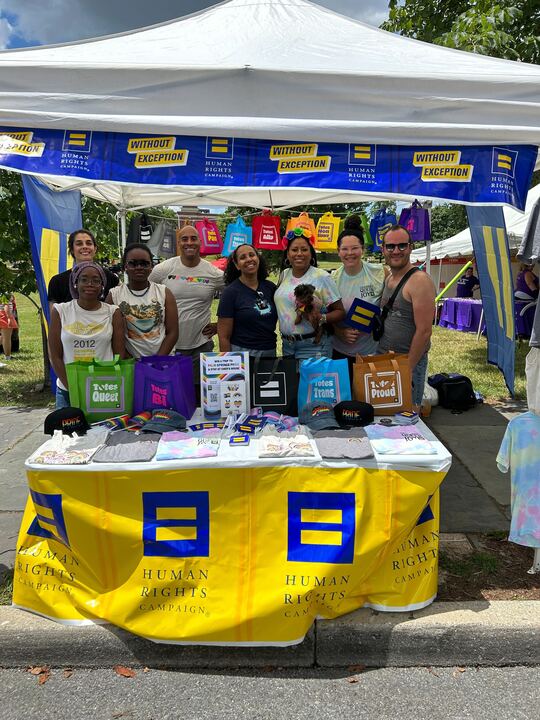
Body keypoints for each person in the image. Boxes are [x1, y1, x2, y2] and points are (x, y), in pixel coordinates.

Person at [149, 224, 225, 386]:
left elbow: (236, 297)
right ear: (178, 243)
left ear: (200, 242)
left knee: (199, 393)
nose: (189, 242)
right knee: (171, 392)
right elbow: (144, 295)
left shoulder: (214, 274)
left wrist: (220, 325)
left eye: (193, 238)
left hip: (201, 345)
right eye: (184, 239)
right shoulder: (163, 269)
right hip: (168, 345)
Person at [48, 262, 126, 409]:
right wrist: (72, 388)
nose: (90, 284)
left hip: (103, 390)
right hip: (68, 390)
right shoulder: (60, 311)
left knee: (103, 432)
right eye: (84, 279)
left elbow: (119, 355)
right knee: (67, 432)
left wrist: (108, 385)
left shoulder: (113, 312)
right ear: (75, 283)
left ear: (102, 285)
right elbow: (55, 355)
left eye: (96, 280)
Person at [378, 225, 436, 413]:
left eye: (402, 246)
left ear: (411, 247)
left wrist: (407, 368)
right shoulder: (389, 278)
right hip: (385, 359)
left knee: (406, 422)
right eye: (390, 246)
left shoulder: (419, 281)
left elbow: (425, 331)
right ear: (383, 249)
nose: (396, 251)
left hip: (407, 363)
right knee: (384, 417)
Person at [274, 229, 345, 359]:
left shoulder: (322, 276)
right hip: (287, 346)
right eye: (294, 250)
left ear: (311, 253)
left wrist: (320, 318)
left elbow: (340, 312)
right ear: (288, 255)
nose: (299, 253)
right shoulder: (284, 274)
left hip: (314, 345)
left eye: (304, 249)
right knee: (292, 380)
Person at [332, 215, 388, 376]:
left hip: (372, 352)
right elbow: (324, 316)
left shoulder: (380, 272)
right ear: (338, 252)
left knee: (368, 399)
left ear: (362, 249)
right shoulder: (332, 279)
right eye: (344, 249)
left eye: (355, 248)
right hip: (339, 352)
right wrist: (339, 332)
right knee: (345, 399)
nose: (350, 253)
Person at [106, 243, 178, 358]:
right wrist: (131, 360)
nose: (139, 267)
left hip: (163, 362)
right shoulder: (114, 295)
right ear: (125, 267)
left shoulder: (164, 293)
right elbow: (109, 335)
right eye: (133, 263)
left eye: (144, 263)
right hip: (130, 363)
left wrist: (157, 360)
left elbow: (173, 332)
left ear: (151, 266)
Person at [217, 244, 277, 357]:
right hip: (242, 354)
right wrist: (229, 365)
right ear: (237, 265)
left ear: (258, 259)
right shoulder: (230, 293)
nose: (249, 259)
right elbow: (223, 336)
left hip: (270, 352)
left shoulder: (270, 288)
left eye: (252, 255)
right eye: (243, 257)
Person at [47, 229, 119, 310]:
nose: (85, 246)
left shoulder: (109, 277)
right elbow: (54, 315)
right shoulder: (57, 281)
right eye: (79, 244)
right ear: (72, 250)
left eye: (89, 243)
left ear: (95, 249)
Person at [0, 293, 18, 361]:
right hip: (4, 316)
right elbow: (6, 306)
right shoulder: (5, 292)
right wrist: (9, 318)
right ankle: (8, 357)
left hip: (2, 315)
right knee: (7, 339)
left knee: (3, 337)